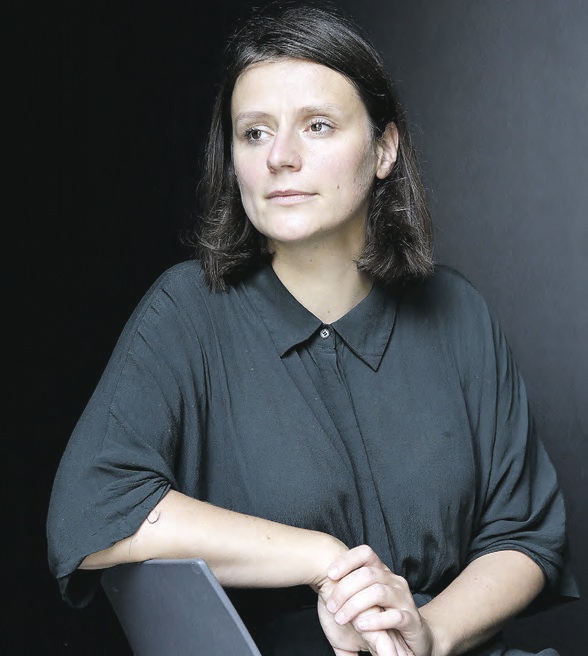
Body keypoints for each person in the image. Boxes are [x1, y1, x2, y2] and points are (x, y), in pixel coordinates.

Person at [47, 2, 578, 654]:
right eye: (255, 133)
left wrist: (428, 632)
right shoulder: (185, 312)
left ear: (384, 149)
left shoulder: (459, 312)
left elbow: (524, 536)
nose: (280, 157)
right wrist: (324, 560)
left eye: (317, 126)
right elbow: (92, 508)